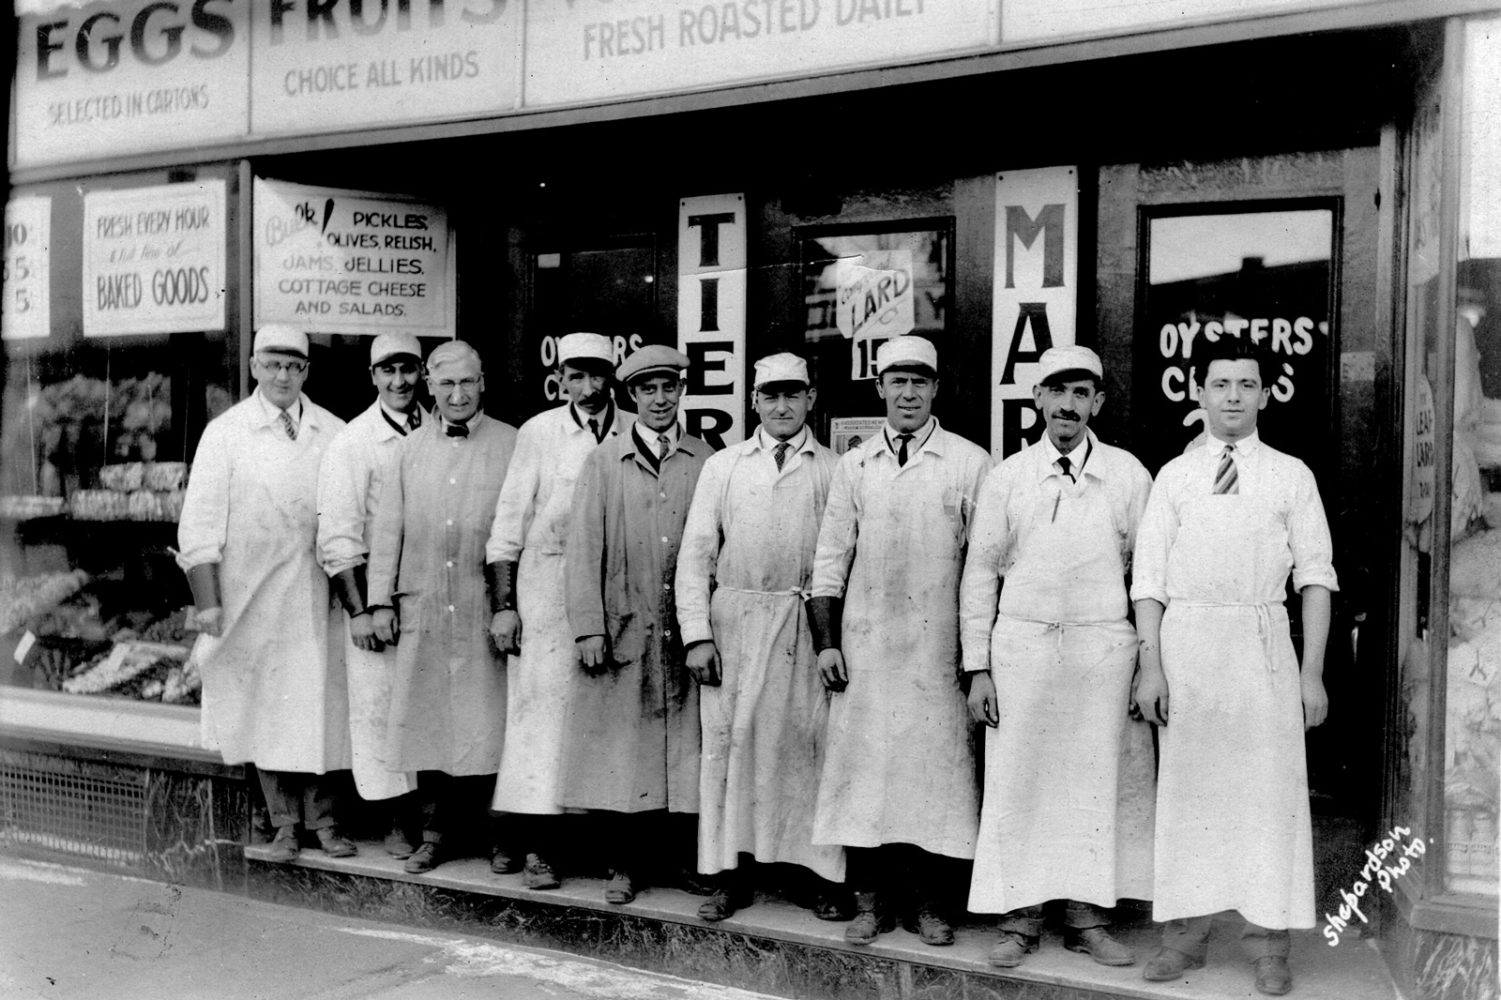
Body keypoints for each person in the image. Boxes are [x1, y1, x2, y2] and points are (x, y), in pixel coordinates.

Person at [1131, 335, 1337, 997]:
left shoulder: (1289, 474)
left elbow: (1315, 577)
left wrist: (1310, 673)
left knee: (1265, 797)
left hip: (1260, 642)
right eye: (1219, 384)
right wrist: (1151, 669)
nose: (1231, 397)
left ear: (1265, 394)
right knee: (1190, 794)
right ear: (1198, 391)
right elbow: (1148, 582)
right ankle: (1183, 938)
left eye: (1245, 385)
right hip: (1188, 644)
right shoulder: (1174, 476)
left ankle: (1267, 943)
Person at [960, 345, 1155, 968]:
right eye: (1056, 391)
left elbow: (1146, 576)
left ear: (1097, 402)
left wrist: (1147, 662)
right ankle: (1020, 917)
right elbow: (979, 575)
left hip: (1102, 649)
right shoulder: (1008, 477)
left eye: (1081, 393)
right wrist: (979, 666)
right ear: (1037, 398)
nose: (1067, 405)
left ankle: (1086, 917)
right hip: (1022, 650)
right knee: (1021, 779)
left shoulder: (1128, 474)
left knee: (1094, 782)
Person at [806, 335, 992, 947]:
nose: (908, 393)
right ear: (879, 387)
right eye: (897, 381)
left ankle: (929, 905)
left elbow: (984, 567)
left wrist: (975, 658)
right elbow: (829, 561)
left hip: (938, 653)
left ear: (935, 388)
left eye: (920, 381)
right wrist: (828, 643)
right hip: (865, 648)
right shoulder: (855, 465)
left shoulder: (970, 462)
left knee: (936, 780)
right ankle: (871, 901)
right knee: (865, 776)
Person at [675, 352, 847, 923]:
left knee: (805, 750)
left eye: (793, 395)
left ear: (811, 400)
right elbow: (696, 555)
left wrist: (829, 636)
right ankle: (730, 875)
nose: (781, 406)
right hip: (735, 623)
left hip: (801, 623)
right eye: (770, 396)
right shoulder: (724, 466)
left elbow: (837, 561)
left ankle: (812, 876)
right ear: (753, 402)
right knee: (731, 749)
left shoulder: (832, 469)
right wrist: (697, 635)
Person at [177, 323, 354, 863]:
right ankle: (282, 824)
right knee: (267, 705)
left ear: (306, 371)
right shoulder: (227, 432)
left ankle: (324, 820)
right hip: (251, 591)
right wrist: (208, 603)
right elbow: (199, 523)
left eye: (293, 366)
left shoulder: (333, 430)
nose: (282, 375)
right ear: (254, 367)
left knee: (322, 703)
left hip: (316, 589)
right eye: (272, 365)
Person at [562, 344, 709, 906]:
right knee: (624, 750)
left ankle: (678, 860)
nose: (659, 399)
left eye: (668, 387)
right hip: (625, 624)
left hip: (681, 627)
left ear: (681, 391)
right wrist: (588, 627)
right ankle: (623, 864)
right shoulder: (605, 460)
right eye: (647, 390)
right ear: (631, 396)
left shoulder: (702, 456)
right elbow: (582, 549)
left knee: (681, 748)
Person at [367, 341, 519, 874]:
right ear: (430, 386)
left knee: (487, 720)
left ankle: (499, 836)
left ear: (483, 384)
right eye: (447, 384)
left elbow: (517, 528)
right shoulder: (408, 451)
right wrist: (379, 601)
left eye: (468, 383)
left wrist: (510, 604)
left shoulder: (511, 444)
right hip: (426, 602)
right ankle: (435, 834)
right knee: (429, 718)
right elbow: (388, 531)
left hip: (482, 605)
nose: (458, 394)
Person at [485, 332, 630, 891]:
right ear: (561, 378)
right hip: (545, 586)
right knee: (540, 723)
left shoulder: (631, 427)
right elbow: (508, 525)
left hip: (609, 587)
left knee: (602, 718)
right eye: (577, 376)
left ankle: (601, 847)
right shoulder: (539, 432)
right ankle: (540, 849)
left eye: (598, 375)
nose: (589, 388)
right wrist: (505, 606)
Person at [315, 332, 427, 858]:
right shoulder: (354, 441)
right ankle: (396, 821)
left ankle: (433, 820)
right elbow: (337, 533)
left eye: (409, 370)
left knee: (427, 707)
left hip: (428, 595)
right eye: (389, 372)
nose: (400, 381)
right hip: (375, 602)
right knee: (380, 712)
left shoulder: (439, 428)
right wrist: (359, 610)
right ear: (374, 377)